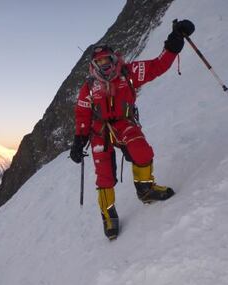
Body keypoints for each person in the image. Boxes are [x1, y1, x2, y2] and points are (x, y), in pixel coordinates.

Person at [70, 19, 195, 240]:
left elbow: (158, 65)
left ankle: (145, 190)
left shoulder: (128, 72)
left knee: (142, 151)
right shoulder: (89, 87)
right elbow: (82, 114)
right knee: (104, 176)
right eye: (99, 61)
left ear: (113, 58)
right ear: (93, 65)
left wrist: (174, 42)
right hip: (99, 131)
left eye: (107, 59)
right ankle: (108, 216)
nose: (104, 64)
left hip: (125, 123)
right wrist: (79, 140)